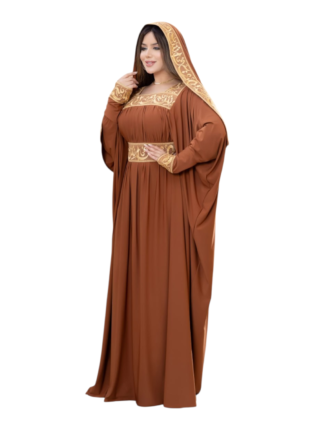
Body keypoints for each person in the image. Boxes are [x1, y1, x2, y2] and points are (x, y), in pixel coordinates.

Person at [86, 21, 229, 409]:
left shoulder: (185, 95)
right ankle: (133, 377)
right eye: (143, 47)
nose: (148, 54)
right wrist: (114, 99)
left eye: (156, 47)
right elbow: (113, 149)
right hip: (133, 199)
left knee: (163, 283)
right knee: (135, 280)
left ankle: (165, 380)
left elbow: (215, 131)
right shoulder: (134, 94)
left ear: (173, 52)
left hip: (167, 199)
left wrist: (176, 160)